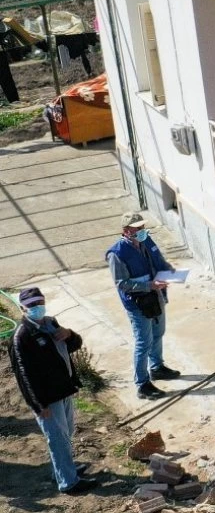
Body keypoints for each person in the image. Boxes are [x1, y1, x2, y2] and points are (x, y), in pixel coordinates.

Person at [9, 288, 97, 494]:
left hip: (64, 390)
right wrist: (39, 405)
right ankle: (68, 482)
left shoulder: (51, 323)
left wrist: (70, 334)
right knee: (57, 438)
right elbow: (24, 375)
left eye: (39, 303)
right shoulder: (22, 336)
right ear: (22, 308)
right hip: (48, 399)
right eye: (31, 305)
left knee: (66, 435)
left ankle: (62, 471)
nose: (36, 308)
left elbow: (74, 345)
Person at [107, 212, 180, 400]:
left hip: (156, 296)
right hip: (139, 303)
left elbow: (158, 261)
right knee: (143, 342)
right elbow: (122, 283)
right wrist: (148, 285)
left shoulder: (147, 242)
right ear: (126, 231)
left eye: (142, 227)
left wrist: (169, 271)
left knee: (158, 332)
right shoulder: (117, 254)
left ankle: (157, 367)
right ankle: (142, 384)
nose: (141, 231)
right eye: (137, 228)